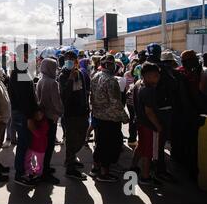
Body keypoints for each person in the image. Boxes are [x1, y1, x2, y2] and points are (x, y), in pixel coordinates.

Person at [90, 54, 129, 182]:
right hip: (110, 119)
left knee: (100, 144)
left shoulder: (96, 75)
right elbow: (115, 102)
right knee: (108, 146)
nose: (114, 67)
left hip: (98, 116)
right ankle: (104, 173)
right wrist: (124, 117)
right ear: (108, 65)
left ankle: (95, 168)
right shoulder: (111, 80)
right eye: (112, 64)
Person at [8, 44, 41, 186]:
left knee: (25, 143)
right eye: (29, 53)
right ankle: (19, 174)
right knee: (23, 144)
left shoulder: (23, 70)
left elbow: (29, 95)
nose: (31, 56)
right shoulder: (19, 71)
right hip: (22, 115)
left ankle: (25, 171)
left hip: (25, 113)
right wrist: (29, 117)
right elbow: (23, 98)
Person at [146, 43, 177, 182]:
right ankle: (159, 169)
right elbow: (173, 85)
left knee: (154, 140)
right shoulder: (164, 68)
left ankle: (155, 166)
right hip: (161, 110)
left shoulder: (144, 66)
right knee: (159, 140)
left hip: (152, 109)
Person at [130, 62, 163, 186]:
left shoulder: (138, 84)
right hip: (149, 125)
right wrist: (158, 126)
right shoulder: (149, 90)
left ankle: (133, 166)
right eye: (155, 76)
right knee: (148, 152)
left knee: (141, 145)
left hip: (140, 122)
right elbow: (149, 112)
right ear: (147, 76)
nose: (158, 78)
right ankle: (145, 177)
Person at [59, 51, 90, 181]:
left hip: (82, 112)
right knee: (72, 141)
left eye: (73, 58)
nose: (70, 61)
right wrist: (71, 79)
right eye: (68, 59)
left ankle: (71, 159)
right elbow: (65, 96)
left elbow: (84, 92)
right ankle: (70, 168)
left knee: (82, 139)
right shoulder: (63, 76)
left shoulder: (81, 73)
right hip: (70, 114)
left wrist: (87, 107)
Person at [177, 50, 207, 180]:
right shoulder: (183, 74)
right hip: (190, 114)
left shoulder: (194, 72)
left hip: (189, 114)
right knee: (191, 144)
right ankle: (191, 170)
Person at [36, 58, 64, 184]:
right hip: (51, 118)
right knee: (49, 146)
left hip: (42, 117)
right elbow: (57, 103)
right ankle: (44, 172)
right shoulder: (53, 83)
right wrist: (61, 112)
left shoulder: (41, 80)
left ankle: (44, 168)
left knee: (44, 145)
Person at [24, 110, 48, 180]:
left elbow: (39, 134)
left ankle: (38, 173)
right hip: (32, 145)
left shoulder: (44, 123)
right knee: (27, 158)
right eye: (36, 114)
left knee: (39, 162)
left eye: (40, 114)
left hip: (40, 147)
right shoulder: (33, 121)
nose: (38, 115)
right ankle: (29, 170)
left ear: (43, 114)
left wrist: (31, 128)